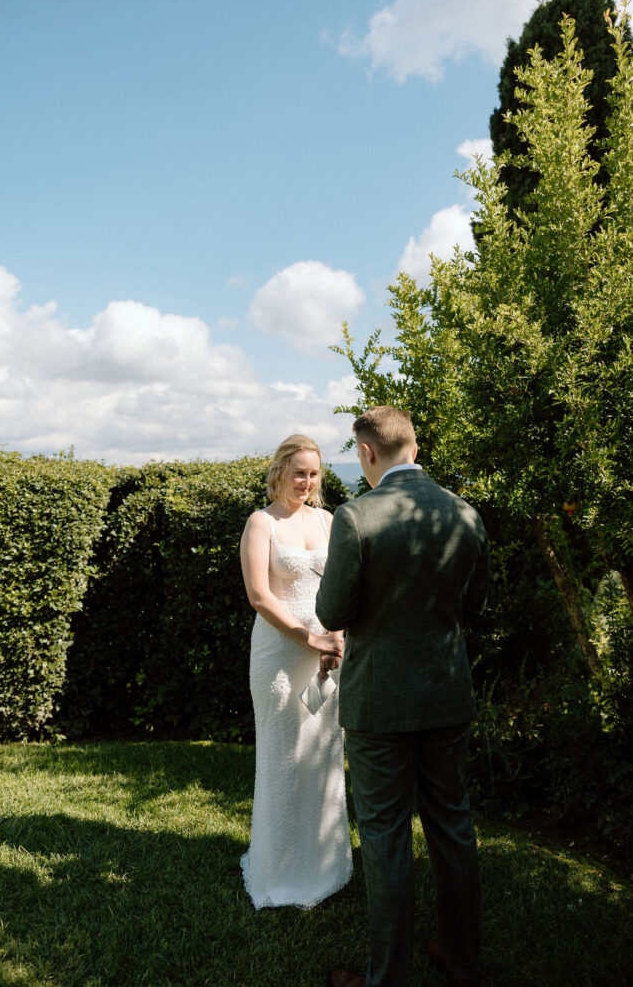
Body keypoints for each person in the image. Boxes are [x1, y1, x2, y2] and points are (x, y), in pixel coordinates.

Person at [316, 406, 488, 987]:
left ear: (366, 452)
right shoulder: (464, 512)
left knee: (386, 835)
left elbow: (331, 612)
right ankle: (462, 960)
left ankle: (388, 979)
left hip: (379, 702)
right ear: (414, 447)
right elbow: (475, 605)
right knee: (452, 825)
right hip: (446, 693)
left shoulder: (356, 516)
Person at [239, 433, 353, 909]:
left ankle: (325, 864)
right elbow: (259, 596)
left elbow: (344, 587)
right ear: (280, 471)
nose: (306, 481)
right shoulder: (261, 523)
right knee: (285, 754)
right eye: (299, 472)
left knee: (322, 752)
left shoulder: (329, 521)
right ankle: (279, 870)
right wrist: (310, 638)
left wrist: (335, 640)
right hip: (280, 658)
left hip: (327, 657)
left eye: (313, 473)